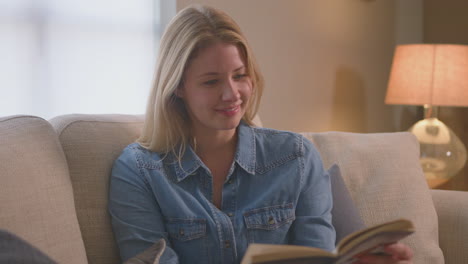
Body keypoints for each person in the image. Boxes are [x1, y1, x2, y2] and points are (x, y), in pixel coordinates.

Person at [108, 4, 413, 264]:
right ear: (178, 87)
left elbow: (317, 253)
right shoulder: (139, 171)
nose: (232, 94)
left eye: (240, 76)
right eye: (211, 81)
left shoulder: (297, 157)